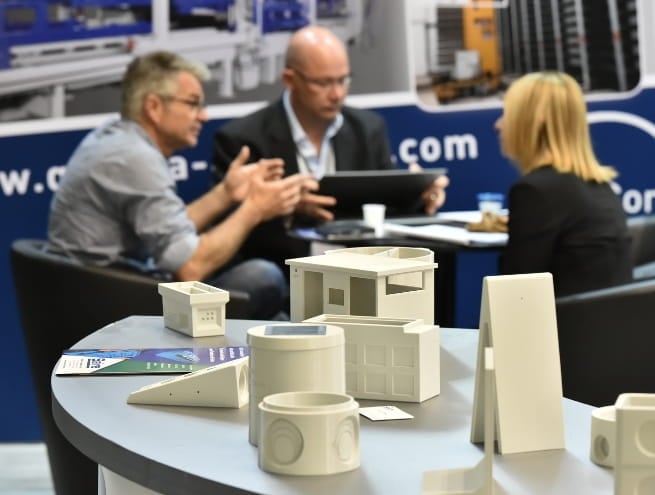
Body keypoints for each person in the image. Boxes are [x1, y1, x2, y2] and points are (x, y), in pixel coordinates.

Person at [47, 51, 309, 319]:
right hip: (109, 309)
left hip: (102, 292)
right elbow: (190, 266)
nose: (203, 116)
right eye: (193, 104)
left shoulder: (119, 139)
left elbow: (171, 233)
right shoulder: (133, 158)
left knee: (277, 319)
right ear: (154, 107)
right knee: (262, 278)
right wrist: (255, 209)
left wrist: (226, 194)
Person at [211, 25, 449, 270]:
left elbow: (384, 207)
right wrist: (285, 207)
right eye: (323, 83)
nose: (336, 94)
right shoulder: (245, 140)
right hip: (285, 273)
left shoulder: (367, 129)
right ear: (290, 80)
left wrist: (420, 195)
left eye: (343, 80)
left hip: (359, 270)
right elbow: (232, 232)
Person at [495, 71, 632, 296]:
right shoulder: (599, 186)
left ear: (533, 122)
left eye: (507, 114)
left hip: (564, 329)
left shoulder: (534, 192)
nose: (499, 125)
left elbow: (515, 294)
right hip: (610, 327)